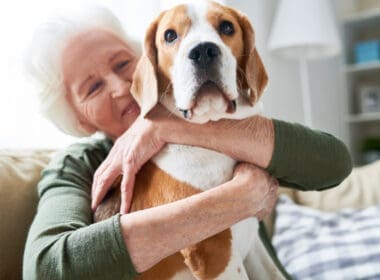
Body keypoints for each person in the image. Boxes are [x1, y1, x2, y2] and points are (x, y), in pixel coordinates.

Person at [22, 5, 352, 280]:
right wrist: (240, 199)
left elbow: (335, 164)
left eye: (123, 64)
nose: (121, 87)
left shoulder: (219, 116)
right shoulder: (78, 164)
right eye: (93, 88)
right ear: (78, 119)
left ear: (152, 64)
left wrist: (168, 129)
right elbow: (46, 269)